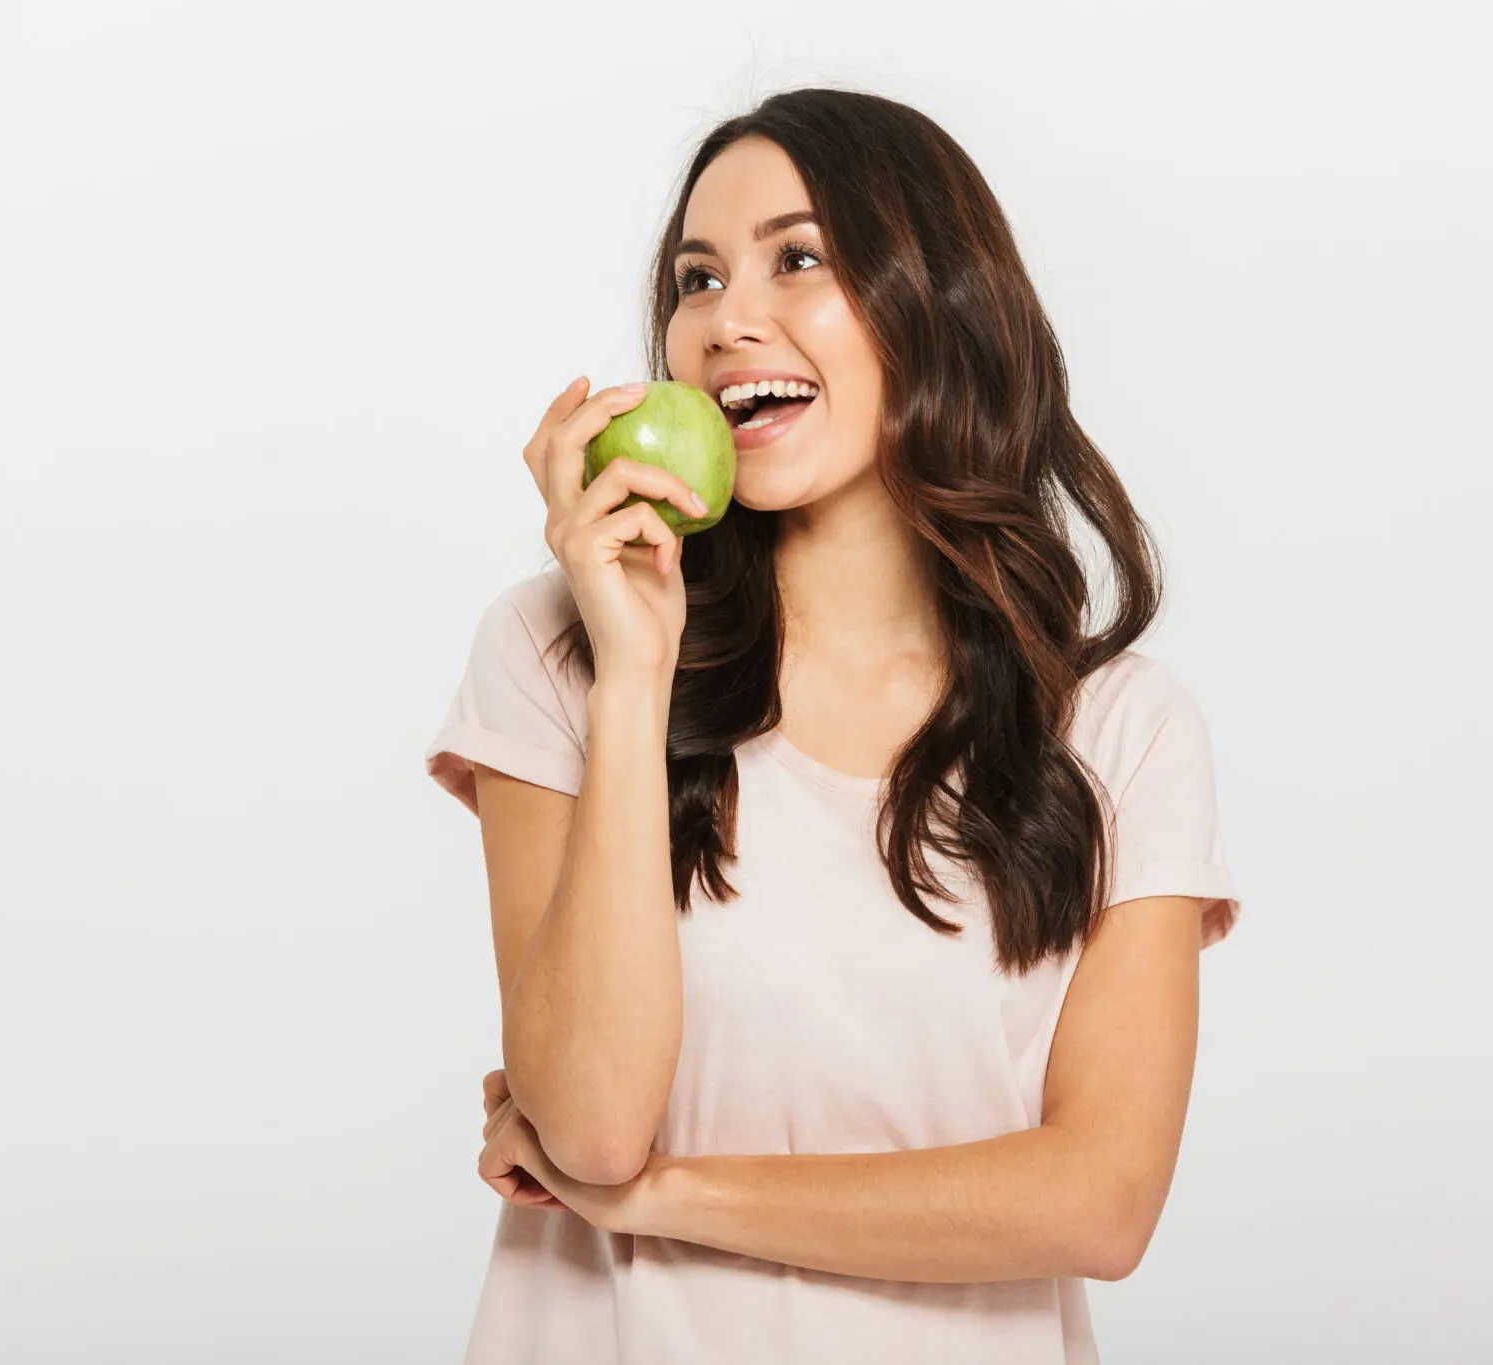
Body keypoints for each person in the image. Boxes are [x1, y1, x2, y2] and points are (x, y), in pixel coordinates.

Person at [422, 86, 1243, 1365]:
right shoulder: (558, 649)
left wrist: (662, 1199)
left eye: (795, 259)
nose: (725, 320)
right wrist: (637, 676)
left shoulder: (1120, 732)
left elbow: (1098, 1202)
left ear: (938, 305)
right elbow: (584, 1125)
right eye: (697, 278)